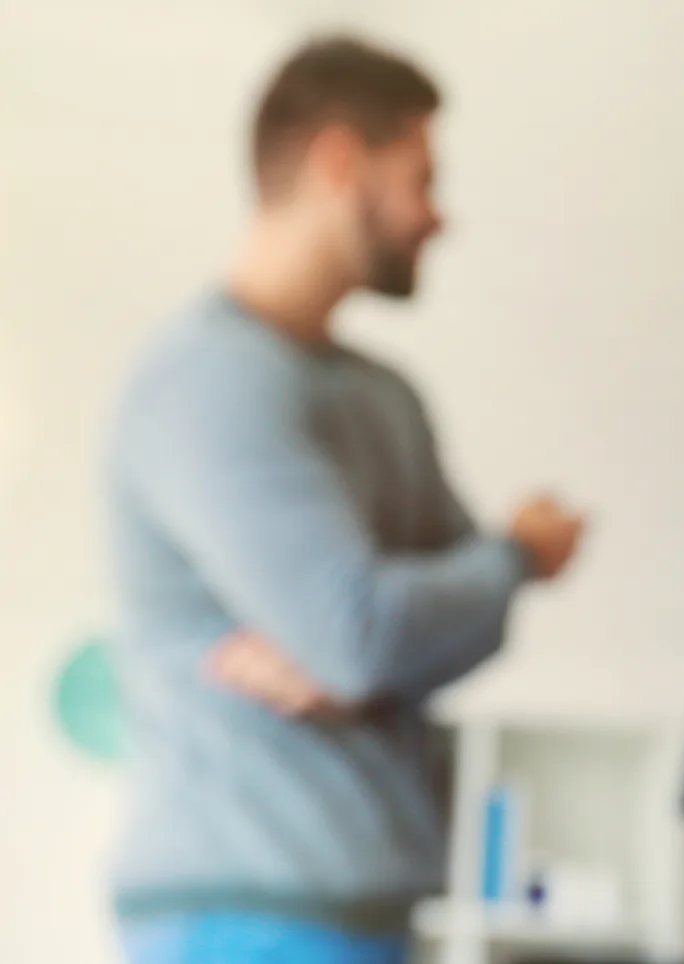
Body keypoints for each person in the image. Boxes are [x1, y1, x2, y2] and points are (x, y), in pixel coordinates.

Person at [104, 36, 585, 964]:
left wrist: (376, 640)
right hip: (244, 910)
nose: (437, 218)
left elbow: (458, 632)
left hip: (371, 909)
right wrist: (513, 556)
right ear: (339, 162)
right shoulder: (209, 382)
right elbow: (367, 631)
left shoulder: (383, 398)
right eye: (421, 179)